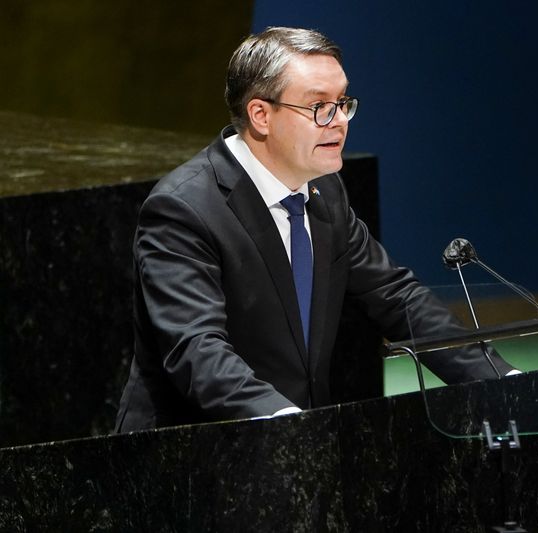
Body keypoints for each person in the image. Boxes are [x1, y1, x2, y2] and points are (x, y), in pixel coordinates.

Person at [115, 26, 515, 432]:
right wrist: (286, 420)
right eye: (319, 106)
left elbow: (397, 297)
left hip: (298, 442)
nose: (339, 121)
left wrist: (501, 380)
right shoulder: (184, 209)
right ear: (261, 115)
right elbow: (196, 349)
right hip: (189, 450)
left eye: (342, 103)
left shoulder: (325, 190)